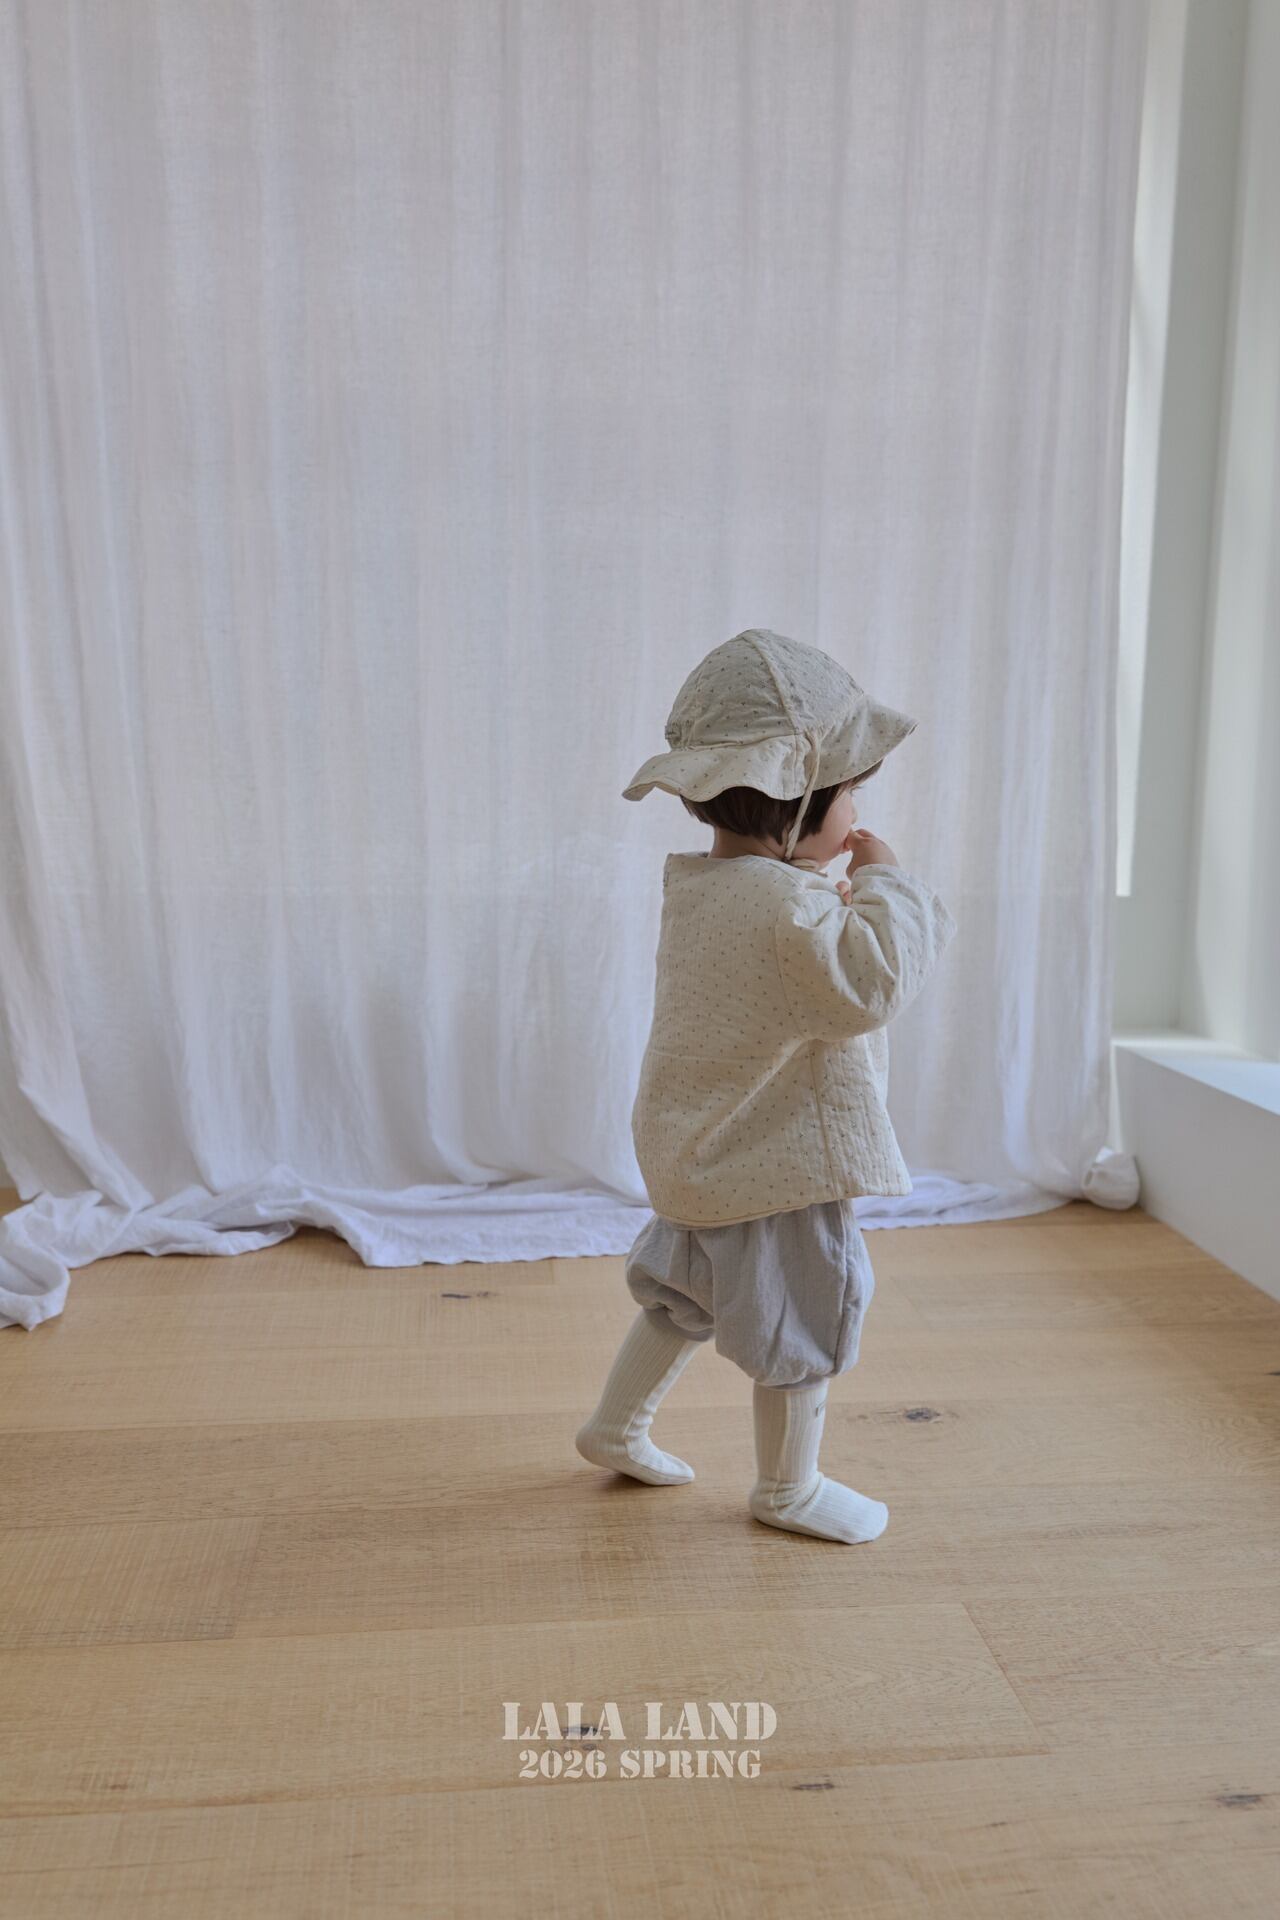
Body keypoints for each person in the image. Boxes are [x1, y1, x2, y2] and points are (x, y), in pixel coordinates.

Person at [575, 628, 958, 1543]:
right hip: (781, 1164)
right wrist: (886, 886)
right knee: (807, 1319)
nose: (858, 810)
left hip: (704, 1149)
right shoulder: (786, 910)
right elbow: (869, 987)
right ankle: (789, 1488)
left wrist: (825, 889)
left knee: (682, 1296)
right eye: (850, 790)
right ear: (796, 800)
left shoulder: (708, 889)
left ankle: (616, 1425)